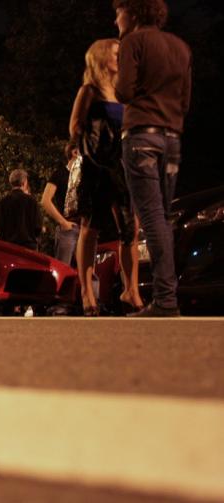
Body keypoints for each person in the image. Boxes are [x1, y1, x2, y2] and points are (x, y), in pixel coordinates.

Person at [114, 0, 191, 317]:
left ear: (131, 13)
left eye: (117, 13)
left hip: (141, 135)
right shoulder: (180, 47)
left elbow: (124, 92)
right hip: (172, 138)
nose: (115, 19)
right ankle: (167, 296)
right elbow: (185, 100)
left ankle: (165, 300)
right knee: (165, 218)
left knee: (151, 218)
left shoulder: (133, 41)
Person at [69, 38, 142, 317]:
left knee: (130, 229)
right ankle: (87, 291)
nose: (119, 59)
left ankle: (131, 289)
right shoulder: (90, 90)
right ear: (101, 58)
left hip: (122, 166)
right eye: (115, 54)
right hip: (97, 165)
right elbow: (75, 125)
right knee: (91, 228)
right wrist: (80, 145)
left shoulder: (124, 92)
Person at [41, 142, 80, 265]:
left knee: (89, 273)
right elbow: (45, 200)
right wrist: (63, 222)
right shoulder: (60, 174)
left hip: (85, 229)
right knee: (64, 269)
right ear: (75, 153)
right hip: (69, 229)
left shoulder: (85, 175)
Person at [0, 169, 42, 250]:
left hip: (8, 247)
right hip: (28, 247)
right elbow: (37, 226)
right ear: (24, 183)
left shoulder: (2, 202)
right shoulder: (32, 201)